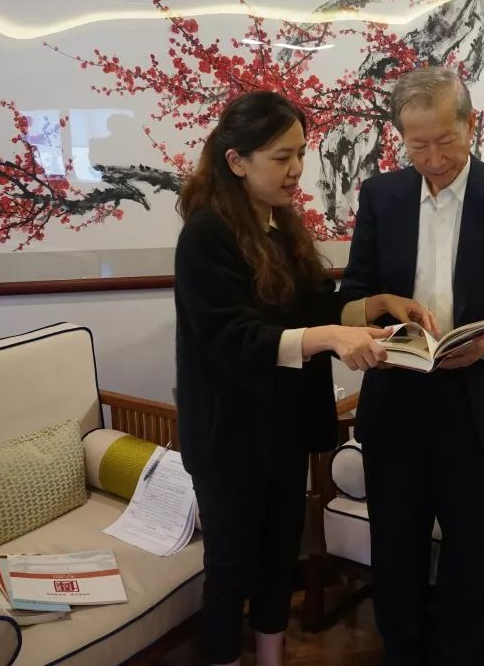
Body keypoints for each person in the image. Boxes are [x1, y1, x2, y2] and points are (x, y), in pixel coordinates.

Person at [173, 90, 432, 666]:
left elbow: (315, 306)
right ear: (236, 161)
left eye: (300, 154)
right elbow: (236, 337)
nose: (296, 170)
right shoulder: (206, 236)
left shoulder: (281, 226)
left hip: (282, 429)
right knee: (231, 567)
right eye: (281, 157)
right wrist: (332, 338)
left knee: (278, 558)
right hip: (229, 435)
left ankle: (271, 659)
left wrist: (375, 307)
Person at [339, 66, 484, 665]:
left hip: (476, 402)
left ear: (471, 125)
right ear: (400, 138)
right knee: (395, 551)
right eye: (418, 146)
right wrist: (382, 307)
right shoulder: (381, 196)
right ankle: (403, 652)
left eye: (446, 140)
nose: (434, 159)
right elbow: (353, 294)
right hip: (396, 401)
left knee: (471, 552)